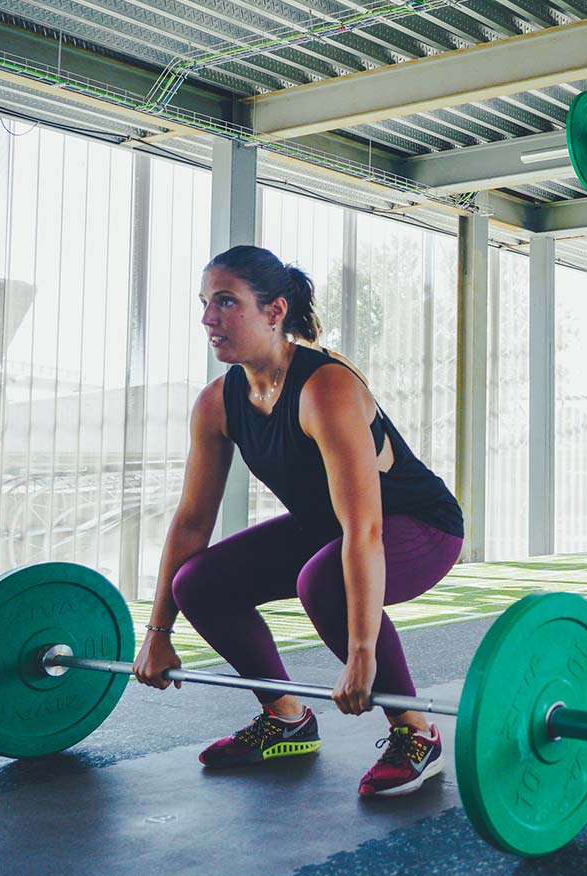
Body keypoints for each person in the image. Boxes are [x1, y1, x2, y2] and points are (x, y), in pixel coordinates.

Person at [132, 245, 464, 798]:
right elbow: (192, 524)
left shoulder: (325, 388)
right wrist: (158, 634)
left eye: (225, 302)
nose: (208, 318)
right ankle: (286, 720)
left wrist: (362, 655)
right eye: (204, 304)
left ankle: (414, 732)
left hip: (417, 525)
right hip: (330, 528)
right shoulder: (218, 403)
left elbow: (365, 529)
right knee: (200, 584)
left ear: (274, 311)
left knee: (322, 581)